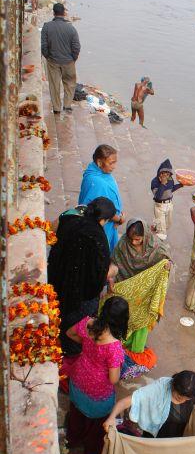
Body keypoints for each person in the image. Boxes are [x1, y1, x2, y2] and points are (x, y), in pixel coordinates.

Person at [48, 197, 117, 356]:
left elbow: (51, 232)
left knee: (56, 314)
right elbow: (100, 274)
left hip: (58, 278)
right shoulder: (97, 238)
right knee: (74, 327)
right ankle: (69, 353)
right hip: (79, 295)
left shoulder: (70, 216)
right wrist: (114, 271)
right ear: (102, 220)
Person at [65, 296, 128, 454]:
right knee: (97, 427)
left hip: (78, 378)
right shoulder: (114, 347)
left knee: (76, 412)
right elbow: (114, 379)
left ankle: (72, 439)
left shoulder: (88, 323)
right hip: (97, 392)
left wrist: (86, 346)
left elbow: (69, 333)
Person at [110, 219, 172, 353]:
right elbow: (115, 263)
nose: (133, 242)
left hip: (145, 292)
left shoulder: (155, 246)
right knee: (124, 316)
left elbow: (167, 259)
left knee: (142, 319)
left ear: (145, 236)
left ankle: (136, 348)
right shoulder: (122, 245)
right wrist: (110, 279)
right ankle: (121, 344)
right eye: (131, 239)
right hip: (126, 287)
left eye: (137, 239)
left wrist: (167, 265)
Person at [78, 145, 123, 251]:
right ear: (99, 162)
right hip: (103, 224)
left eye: (115, 162)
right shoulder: (97, 183)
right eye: (111, 163)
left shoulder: (97, 171)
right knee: (101, 250)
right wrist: (119, 219)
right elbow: (101, 211)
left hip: (111, 220)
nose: (114, 166)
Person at [41, 3, 81, 113]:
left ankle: (57, 108)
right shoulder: (71, 28)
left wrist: (48, 56)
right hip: (68, 61)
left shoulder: (46, 27)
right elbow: (76, 46)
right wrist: (73, 58)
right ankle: (67, 105)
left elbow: (44, 46)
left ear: (53, 13)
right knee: (69, 84)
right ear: (64, 13)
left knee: (54, 85)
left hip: (53, 61)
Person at [151, 158, 183, 240]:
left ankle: (156, 226)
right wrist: (162, 184)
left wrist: (181, 185)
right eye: (163, 173)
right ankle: (159, 241)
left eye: (168, 174)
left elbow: (171, 189)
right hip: (159, 206)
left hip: (169, 204)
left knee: (168, 224)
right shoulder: (154, 182)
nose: (166, 176)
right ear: (159, 173)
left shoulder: (170, 180)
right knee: (162, 230)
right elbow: (158, 196)